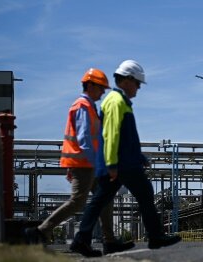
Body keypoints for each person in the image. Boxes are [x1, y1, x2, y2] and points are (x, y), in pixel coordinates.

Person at [70, 60, 181, 257]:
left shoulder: (118, 101)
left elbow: (125, 136)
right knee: (145, 193)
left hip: (122, 161)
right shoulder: (116, 101)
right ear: (127, 80)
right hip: (121, 164)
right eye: (137, 83)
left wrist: (139, 156)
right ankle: (155, 236)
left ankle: (81, 239)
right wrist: (112, 163)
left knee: (99, 201)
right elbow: (111, 134)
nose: (138, 88)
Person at [24, 68, 134, 255]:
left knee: (105, 198)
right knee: (77, 202)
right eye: (101, 88)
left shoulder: (89, 107)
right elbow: (84, 140)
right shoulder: (82, 106)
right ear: (90, 85)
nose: (103, 92)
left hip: (87, 163)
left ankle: (109, 241)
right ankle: (40, 231)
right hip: (85, 164)